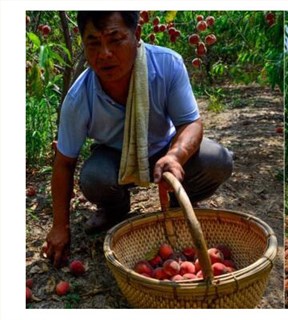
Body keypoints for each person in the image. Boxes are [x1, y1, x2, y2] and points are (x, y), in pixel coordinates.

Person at [45, 11, 233, 267]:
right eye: (94, 43)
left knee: (217, 160)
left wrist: (175, 155)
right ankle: (115, 209)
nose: (105, 54)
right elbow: (64, 162)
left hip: (164, 147)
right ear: (83, 44)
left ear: (137, 35)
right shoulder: (79, 98)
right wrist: (59, 226)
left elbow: (191, 123)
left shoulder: (167, 65)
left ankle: (181, 200)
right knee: (93, 178)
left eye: (115, 39)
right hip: (114, 157)